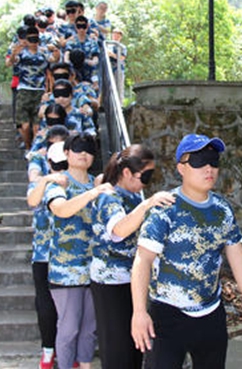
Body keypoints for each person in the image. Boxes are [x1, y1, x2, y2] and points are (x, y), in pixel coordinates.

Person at [131, 134, 242, 369]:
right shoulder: (165, 208)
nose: (208, 168)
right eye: (199, 161)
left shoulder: (222, 209)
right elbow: (143, 259)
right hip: (168, 315)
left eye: (213, 161)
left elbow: (235, 251)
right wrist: (139, 312)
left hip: (211, 314)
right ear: (181, 168)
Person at [90, 145, 175, 369]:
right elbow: (118, 229)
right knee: (117, 351)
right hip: (110, 283)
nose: (147, 182)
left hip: (132, 280)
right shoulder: (109, 196)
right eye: (145, 176)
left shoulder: (134, 196)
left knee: (135, 345)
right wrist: (148, 203)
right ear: (127, 173)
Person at [44, 134, 114, 369]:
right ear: (66, 153)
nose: (83, 153)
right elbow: (61, 209)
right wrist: (92, 194)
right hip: (66, 270)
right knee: (69, 328)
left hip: (95, 269)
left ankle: (85, 366)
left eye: (89, 149)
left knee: (89, 329)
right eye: (77, 148)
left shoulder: (99, 184)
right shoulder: (60, 183)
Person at [26, 126, 70, 369]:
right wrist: (46, 179)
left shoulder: (77, 180)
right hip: (44, 253)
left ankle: (68, 351)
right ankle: (48, 350)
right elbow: (32, 201)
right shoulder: (42, 178)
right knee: (45, 304)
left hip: (72, 255)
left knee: (70, 309)